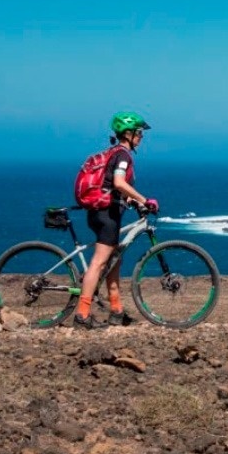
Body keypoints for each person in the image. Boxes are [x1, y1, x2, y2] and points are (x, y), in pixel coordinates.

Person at [74, 111, 159, 329]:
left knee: (115, 260)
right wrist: (144, 199)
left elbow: (113, 187)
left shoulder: (114, 153)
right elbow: (120, 183)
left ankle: (116, 310)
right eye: (139, 133)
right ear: (128, 134)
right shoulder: (123, 156)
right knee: (99, 262)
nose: (141, 137)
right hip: (106, 215)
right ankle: (82, 315)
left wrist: (133, 202)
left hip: (103, 212)